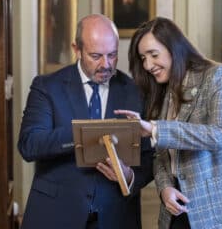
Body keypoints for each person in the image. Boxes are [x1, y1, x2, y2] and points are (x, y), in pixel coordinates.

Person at [115, 17, 222, 228]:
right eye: (142, 58)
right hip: (178, 210)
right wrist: (164, 188)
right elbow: (160, 155)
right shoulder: (162, 93)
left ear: (174, 49)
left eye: (153, 55)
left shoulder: (217, 76)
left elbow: (219, 134)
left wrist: (156, 128)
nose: (147, 65)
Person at [18, 14, 154, 229]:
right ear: (76, 49)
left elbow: (150, 157)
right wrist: (83, 134)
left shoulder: (136, 92)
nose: (106, 64)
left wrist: (130, 176)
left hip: (116, 216)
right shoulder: (47, 87)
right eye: (96, 56)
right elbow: (29, 145)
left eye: (112, 55)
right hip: (56, 213)